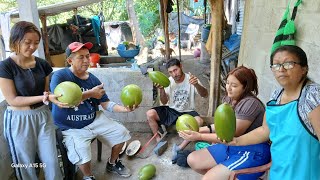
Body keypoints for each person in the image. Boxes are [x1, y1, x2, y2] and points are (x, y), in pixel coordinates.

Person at [229, 45, 320, 180]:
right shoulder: (276, 95)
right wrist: (236, 141)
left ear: (304, 69)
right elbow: (265, 130)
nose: (281, 69)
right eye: (276, 65)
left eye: (289, 64)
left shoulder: (312, 96)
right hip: (279, 172)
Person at [50, 42, 135, 180]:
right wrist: (90, 94)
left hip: (93, 119)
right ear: (70, 60)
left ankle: (112, 163)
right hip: (71, 127)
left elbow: (105, 103)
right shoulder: (60, 76)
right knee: (82, 152)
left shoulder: (93, 79)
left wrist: (125, 109)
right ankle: (88, 176)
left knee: (122, 133)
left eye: (87, 56)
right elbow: (61, 102)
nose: (86, 60)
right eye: (81, 57)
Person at [179, 66, 271, 180]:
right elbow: (222, 127)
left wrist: (200, 136)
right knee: (192, 160)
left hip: (251, 151)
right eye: (227, 83)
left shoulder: (250, 104)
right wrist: (199, 130)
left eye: (234, 85)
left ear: (245, 87)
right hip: (232, 145)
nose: (229, 88)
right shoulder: (229, 99)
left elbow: (231, 134)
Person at [0, 21, 63, 180]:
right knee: (25, 164)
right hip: (19, 120)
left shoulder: (42, 64)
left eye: (36, 43)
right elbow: (12, 100)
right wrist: (45, 97)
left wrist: (56, 99)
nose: (32, 47)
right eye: (27, 42)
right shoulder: (5, 66)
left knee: (52, 162)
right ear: (15, 41)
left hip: (43, 116)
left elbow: (47, 92)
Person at [146, 58, 208, 160]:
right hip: (172, 110)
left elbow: (205, 95)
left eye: (176, 70)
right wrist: (161, 90)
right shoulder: (169, 82)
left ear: (181, 67)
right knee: (150, 114)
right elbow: (165, 102)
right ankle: (159, 141)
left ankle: (180, 147)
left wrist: (196, 84)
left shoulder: (192, 79)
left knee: (199, 121)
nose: (174, 74)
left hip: (188, 111)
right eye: (170, 72)